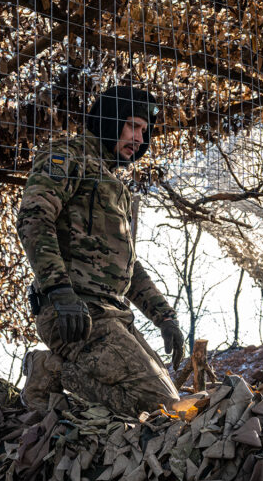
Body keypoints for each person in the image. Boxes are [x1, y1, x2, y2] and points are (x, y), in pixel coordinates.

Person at [16, 86, 185, 416]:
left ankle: (62, 383)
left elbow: (127, 267)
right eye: (132, 126)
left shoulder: (114, 185)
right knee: (157, 407)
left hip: (112, 313)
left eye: (144, 131)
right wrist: (60, 292)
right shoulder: (68, 156)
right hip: (73, 312)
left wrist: (165, 317)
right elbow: (33, 219)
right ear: (110, 121)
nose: (139, 138)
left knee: (170, 403)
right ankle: (49, 369)